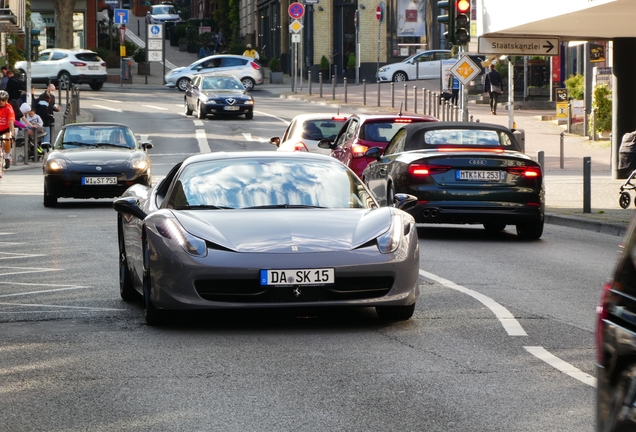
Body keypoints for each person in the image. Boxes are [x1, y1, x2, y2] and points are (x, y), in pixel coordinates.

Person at [0, 90, 16, 169]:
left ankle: (6, 157)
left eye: (3, 100)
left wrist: (12, 135)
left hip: (5, 128)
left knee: (7, 139)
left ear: (6, 100)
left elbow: (11, 123)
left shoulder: (9, 108)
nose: (1, 102)